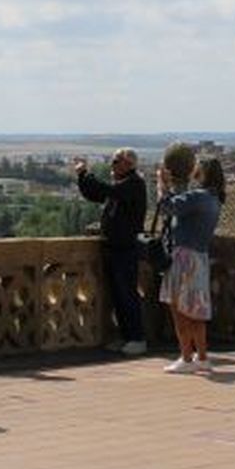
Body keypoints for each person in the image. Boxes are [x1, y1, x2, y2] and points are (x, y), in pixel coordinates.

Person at [155, 146, 226, 374]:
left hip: (183, 257)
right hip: (199, 257)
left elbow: (168, 207)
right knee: (196, 310)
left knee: (180, 309)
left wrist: (161, 185)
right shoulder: (213, 199)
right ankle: (202, 356)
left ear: (202, 172)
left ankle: (186, 358)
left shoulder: (198, 197)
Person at [74, 148, 148, 355]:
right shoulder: (121, 186)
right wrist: (82, 177)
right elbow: (94, 193)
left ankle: (137, 338)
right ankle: (126, 337)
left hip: (125, 249)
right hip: (113, 248)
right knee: (117, 296)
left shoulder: (134, 184)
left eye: (116, 161)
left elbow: (107, 190)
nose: (112, 165)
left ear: (128, 164)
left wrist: (86, 173)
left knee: (127, 295)